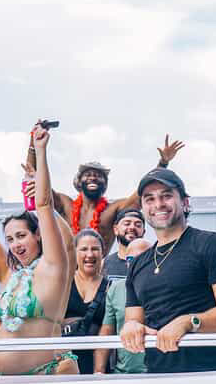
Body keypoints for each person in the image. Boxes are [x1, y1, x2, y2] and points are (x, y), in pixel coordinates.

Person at [119, 168, 216, 373]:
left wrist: (189, 322)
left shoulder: (210, 244)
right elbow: (134, 318)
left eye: (166, 196)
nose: (158, 204)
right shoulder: (138, 263)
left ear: (185, 202)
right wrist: (131, 326)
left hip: (208, 374)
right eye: (150, 199)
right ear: (142, 208)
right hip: (155, 376)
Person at [0, 123, 74, 376]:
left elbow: (43, 205)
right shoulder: (10, 275)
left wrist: (40, 151)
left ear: (38, 235)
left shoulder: (54, 268)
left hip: (44, 371)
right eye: (10, 239)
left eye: (21, 236)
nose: (15, 244)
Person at [36, 135, 186, 249]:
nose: (93, 177)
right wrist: (34, 145)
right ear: (79, 182)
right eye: (88, 174)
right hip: (66, 273)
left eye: (98, 175)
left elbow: (142, 194)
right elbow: (38, 182)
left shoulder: (113, 210)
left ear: (105, 183)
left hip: (98, 272)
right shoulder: (65, 204)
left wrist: (163, 163)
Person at [63, 229, 109, 353]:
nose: (90, 254)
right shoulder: (63, 284)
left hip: (98, 358)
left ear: (103, 253)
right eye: (84, 249)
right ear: (74, 253)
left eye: (95, 249)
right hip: (64, 358)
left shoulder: (110, 288)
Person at [103, 208, 146, 280]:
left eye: (138, 225)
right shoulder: (103, 264)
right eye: (127, 224)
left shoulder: (151, 262)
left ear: (143, 232)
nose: (132, 227)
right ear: (116, 229)